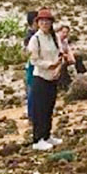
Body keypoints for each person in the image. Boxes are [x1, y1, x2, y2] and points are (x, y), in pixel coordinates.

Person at [26, 8, 65, 150]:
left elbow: (61, 54)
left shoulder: (54, 37)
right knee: (39, 109)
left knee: (49, 107)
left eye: (47, 21)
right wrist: (50, 65)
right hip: (40, 77)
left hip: (53, 77)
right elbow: (33, 60)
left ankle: (47, 135)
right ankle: (38, 139)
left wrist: (58, 68)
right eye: (42, 21)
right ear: (38, 23)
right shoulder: (35, 39)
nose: (44, 24)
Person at [23, 10, 38, 121]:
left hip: (37, 65)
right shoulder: (31, 36)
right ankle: (32, 115)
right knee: (32, 90)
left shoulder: (36, 34)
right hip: (33, 65)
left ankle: (34, 114)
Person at [56, 24, 75, 90]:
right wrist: (66, 56)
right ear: (59, 32)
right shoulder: (56, 39)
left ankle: (81, 75)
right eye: (63, 32)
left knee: (78, 57)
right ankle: (65, 84)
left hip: (62, 58)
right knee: (63, 65)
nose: (65, 34)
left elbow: (69, 50)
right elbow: (59, 51)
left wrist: (72, 59)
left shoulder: (65, 41)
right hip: (55, 59)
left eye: (67, 32)